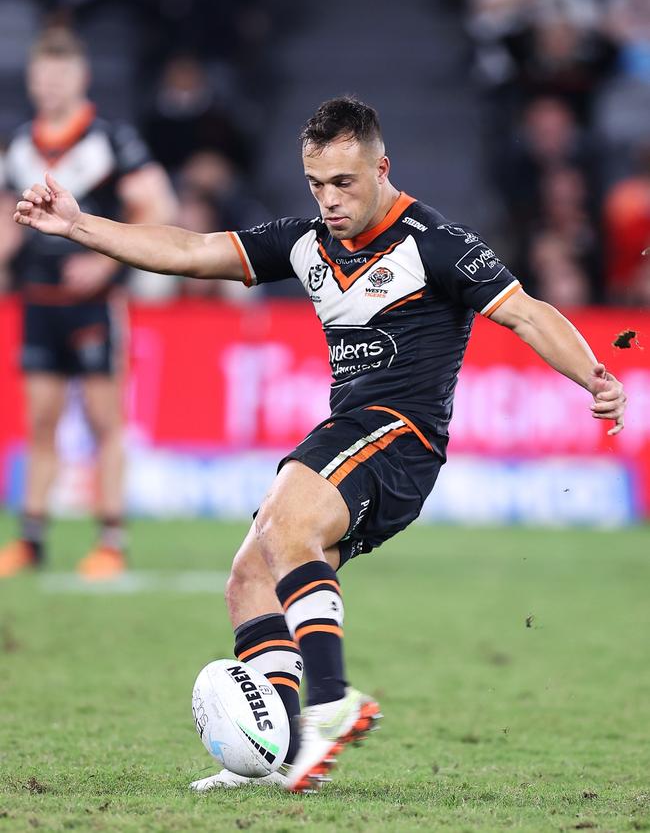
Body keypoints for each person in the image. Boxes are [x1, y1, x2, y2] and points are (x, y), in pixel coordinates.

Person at [12, 97, 626, 792]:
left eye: (344, 182)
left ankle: (330, 702)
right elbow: (189, 249)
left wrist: (594, 375)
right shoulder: (307, 241)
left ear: (380, 166)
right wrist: (78, 225)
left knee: (288, 519)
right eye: (316, 184)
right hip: (352, 433)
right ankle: (283, 751)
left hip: (401, 437)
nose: (329, 200)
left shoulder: (434, 241)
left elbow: (525, 311)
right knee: (250, 578)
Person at [0, 28, 176, 580]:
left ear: (80, 78)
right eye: (41, 77)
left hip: (96, 303)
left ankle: (111, 540)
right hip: (40, 300)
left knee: (104, 420)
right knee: (42, 421)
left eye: (59, 75)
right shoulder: (19, 145)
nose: (49, 86)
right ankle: (31, 540)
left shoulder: (110, 141)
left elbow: (156, 205)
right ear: (31, 81)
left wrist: (106, 261)